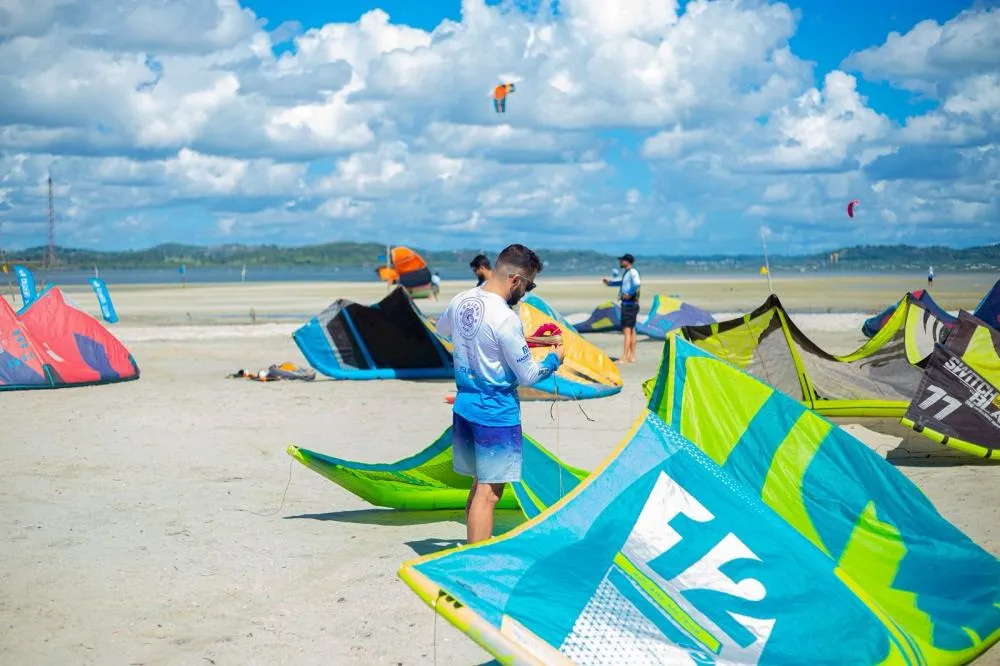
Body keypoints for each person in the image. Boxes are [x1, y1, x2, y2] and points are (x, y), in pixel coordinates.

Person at [436, 244, 565, 544]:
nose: (527, 292)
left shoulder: (461, 300)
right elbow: (529, 376)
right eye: (529, 285)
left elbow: (447, 331)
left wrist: (525, 340)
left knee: (479, 484)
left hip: (465, 404)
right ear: (516, 280)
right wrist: (554, 359)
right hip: (495, 412)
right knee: (490, 494)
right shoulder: (505, 317)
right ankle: (476, 560)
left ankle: (471, 549)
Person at [603, 253, 641, 364]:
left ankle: (625, 356)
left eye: (622, 260)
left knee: (627, 330)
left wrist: (630, 295)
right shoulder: (628, 273)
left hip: (629, 305)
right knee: (632, 330)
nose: (620, 262)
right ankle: (632, 356)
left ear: (627, 261)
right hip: (630, 305)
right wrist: (609, 283)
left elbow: (637, 284)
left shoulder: (632, 272)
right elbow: (622, 283)